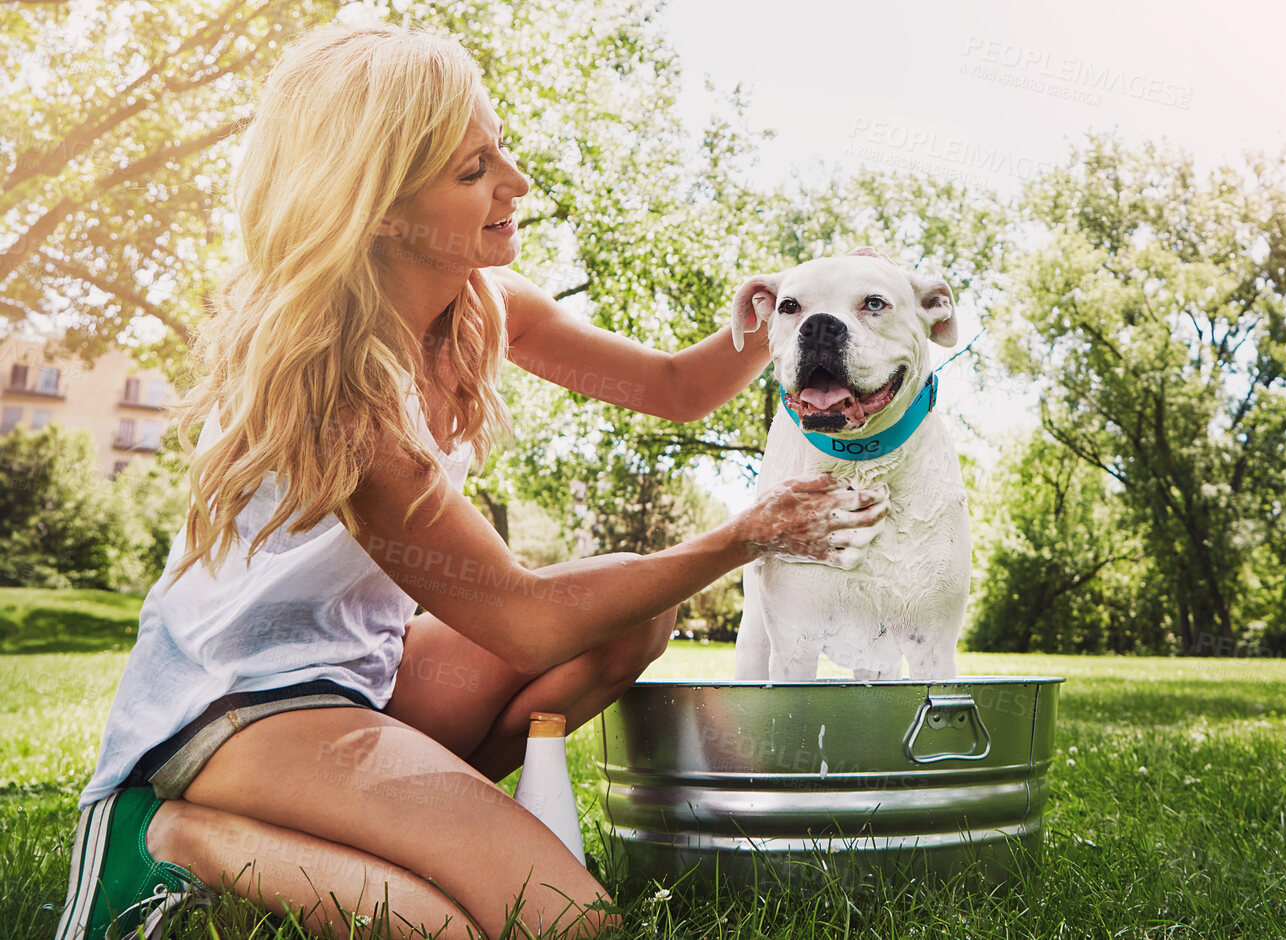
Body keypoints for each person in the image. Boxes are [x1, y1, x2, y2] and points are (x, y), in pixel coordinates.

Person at [51, 21, 887, 940]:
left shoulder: (477, 303)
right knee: (558, 924)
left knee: (635, 608)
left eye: (500, 151)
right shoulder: (338, 388)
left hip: (361, 679)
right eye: (473, 170)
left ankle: (392, 838)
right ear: (374, 205)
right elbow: (524, 620)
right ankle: (175, 839)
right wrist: (744, 535)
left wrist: (770, 322)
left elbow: (672, 390)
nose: (515, 184)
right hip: (231, 707)